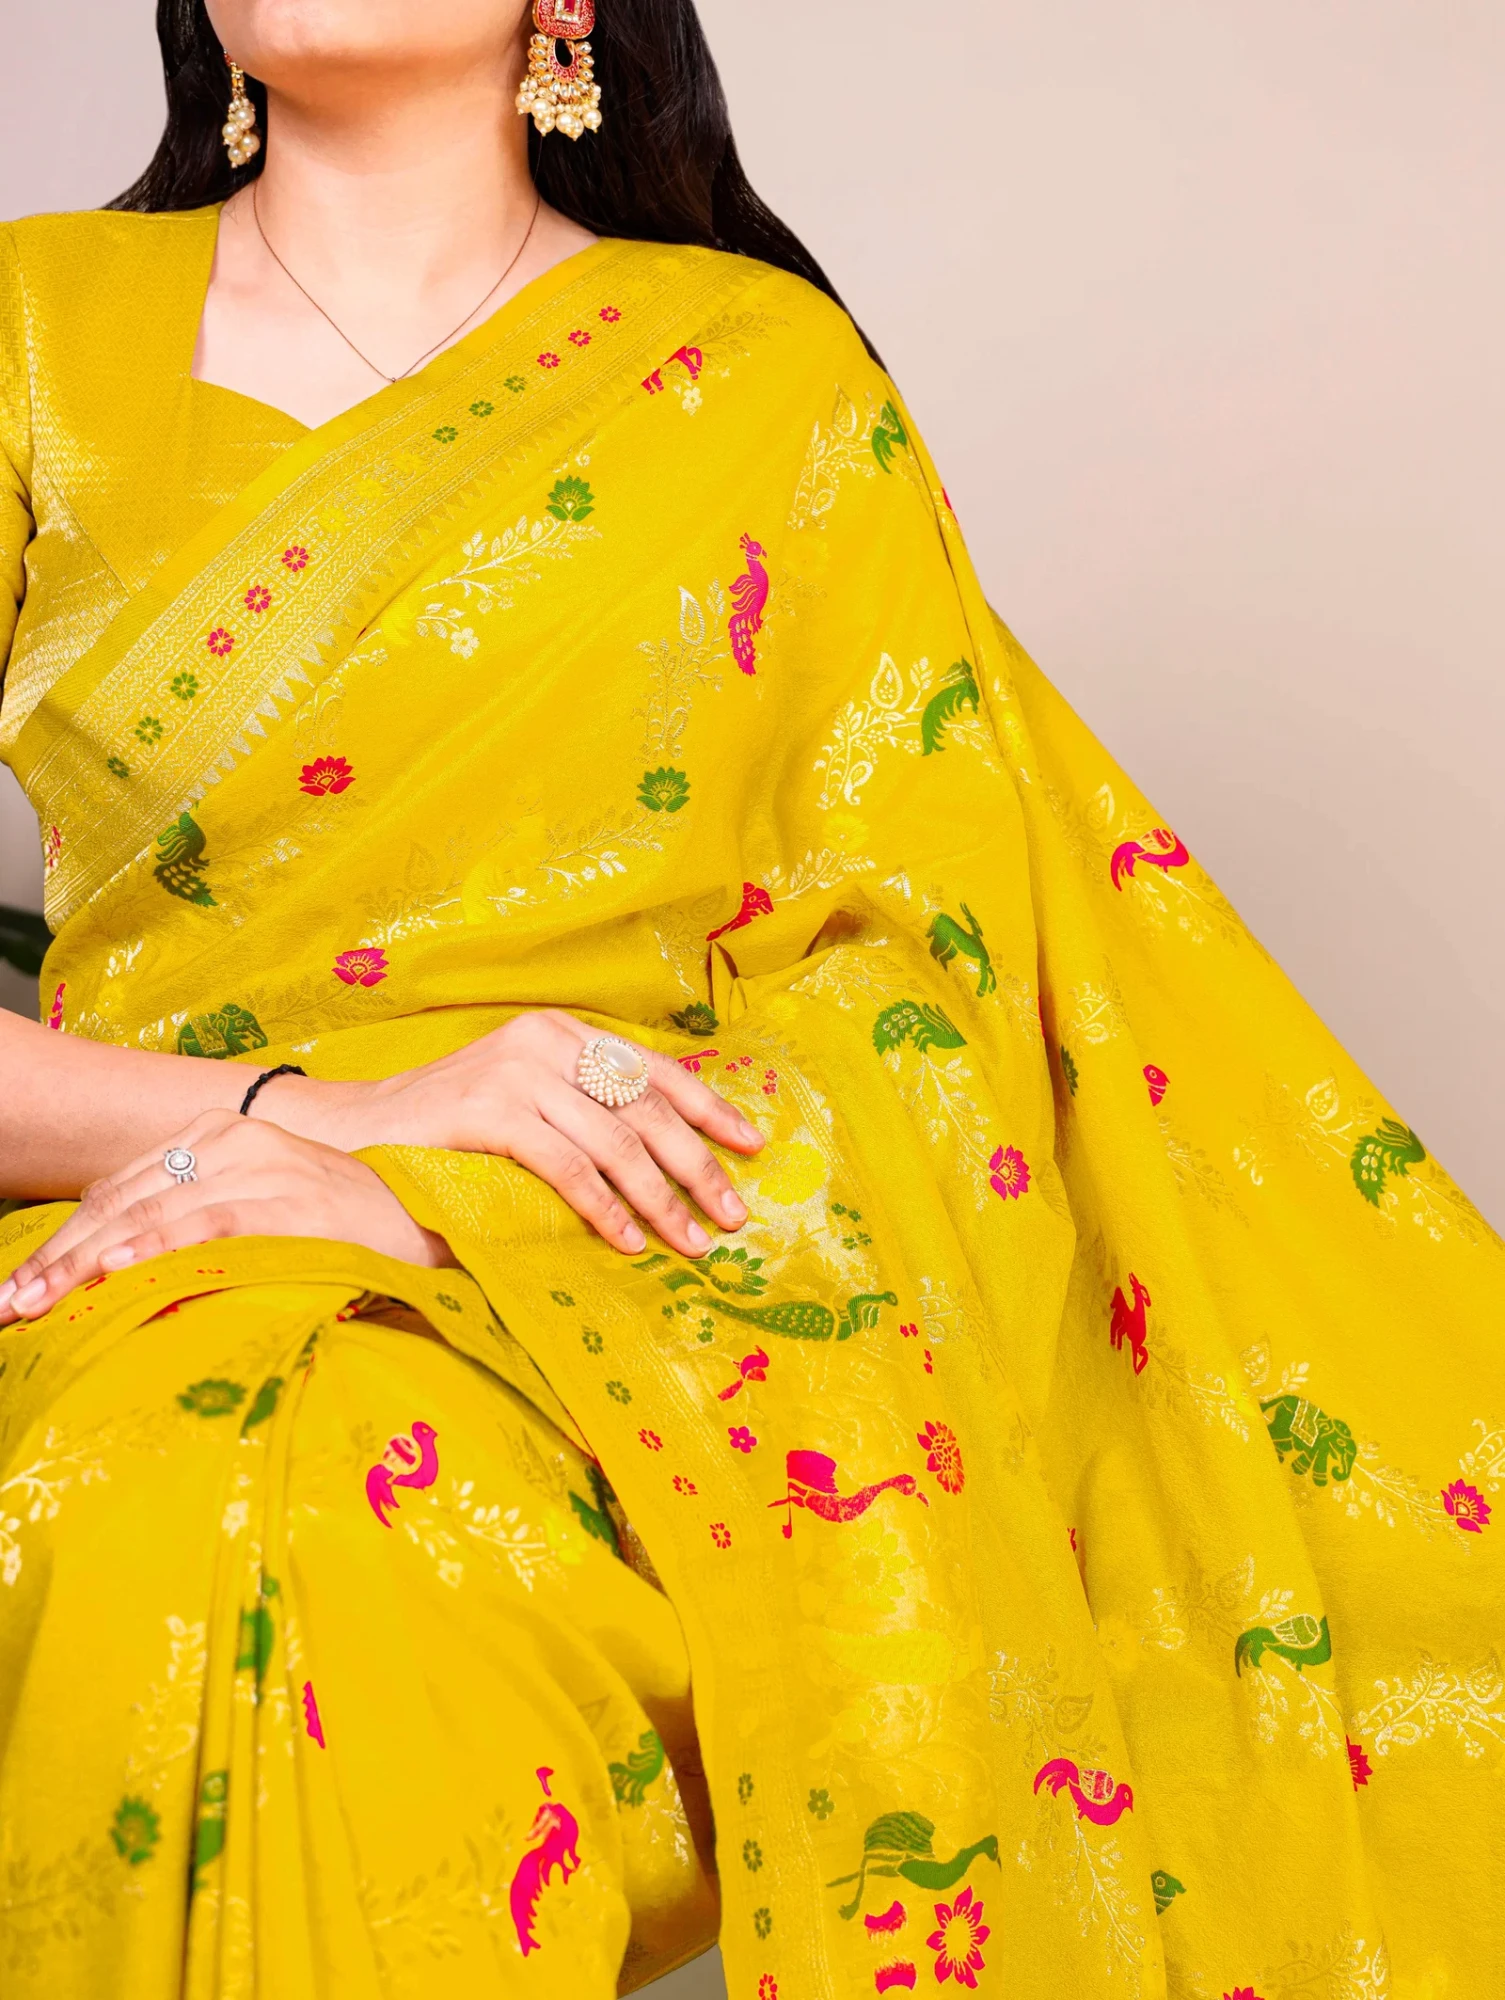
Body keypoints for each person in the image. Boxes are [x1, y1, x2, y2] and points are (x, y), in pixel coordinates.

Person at [1, 3, 1499, 1994]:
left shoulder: (759, 382)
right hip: (140, 1227)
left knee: (344, 1528)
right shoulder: (33, 334)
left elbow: (917, 990)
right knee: (182, 1493)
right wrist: (313, 1126)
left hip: (613, 1275)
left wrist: (446, 1196)